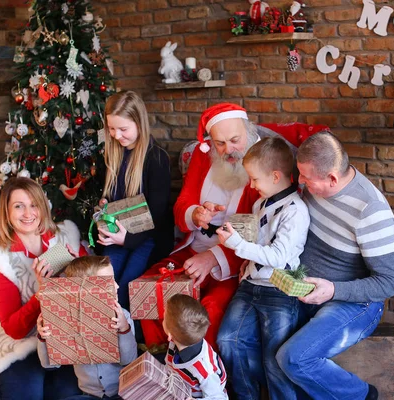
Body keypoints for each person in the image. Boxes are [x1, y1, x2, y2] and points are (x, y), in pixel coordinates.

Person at [276, 132, 394, 400]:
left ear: (332, 178)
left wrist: (332, 290)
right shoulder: (315, 187)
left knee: (294, 358)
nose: (300, 182)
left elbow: (388, 283)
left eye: (306, 178)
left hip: (355, 302)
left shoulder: (371, 210)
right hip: (307, 290)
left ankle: (362, 395)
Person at [140, 103, 265, 349]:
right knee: (148, 291)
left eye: (235, 140)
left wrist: (212, 258)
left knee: (210, 311)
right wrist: (194, 214)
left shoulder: (262, 160)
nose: (228, 150)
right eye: (220, 143)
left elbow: (258, 232)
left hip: (233, 260)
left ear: (248, 133)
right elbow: (181, 204)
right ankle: (161, 365)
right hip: (192, 248)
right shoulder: (202, 154)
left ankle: (203, 378)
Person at [215, 137, 309, 400]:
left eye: (255, 179)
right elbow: (259, 241)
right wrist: (243, 252)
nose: (251, 184)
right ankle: (247, 396)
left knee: (274, 359)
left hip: (279, 290)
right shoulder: (261, 204)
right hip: (251, 285)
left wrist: (236, 244)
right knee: (228, 340)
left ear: (276, 175)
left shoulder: (295, 211)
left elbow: (278, 257)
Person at [0, 177, 81, 400]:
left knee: (69, 394)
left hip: (61, 336)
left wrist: (75, 264)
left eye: (33, 205)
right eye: (18, 206)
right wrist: (42, 293)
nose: (28, 213)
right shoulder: (1, 258)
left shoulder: (63, 238)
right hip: (20, 342)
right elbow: (14, 329)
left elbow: (87, 284)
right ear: (7, 213)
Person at [97, 90, 173, 310]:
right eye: (111, 129)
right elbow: (109, 197)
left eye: (123, 129)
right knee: (106, 285)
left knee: (128, 287)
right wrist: (103, 204)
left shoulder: (156, 158)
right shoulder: (112, 155)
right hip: (117, 233)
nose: (117, 135)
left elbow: (157, 214)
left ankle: (130, 340)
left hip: (148, 237)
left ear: (139, 123)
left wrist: (127, 240)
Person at [37, 255, 137, 400]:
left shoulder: (123, 316)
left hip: (123, 392)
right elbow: (50, 365)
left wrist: (123, 328)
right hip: (89, 395)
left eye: (113, 279)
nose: (116, 286)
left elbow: (129, 360)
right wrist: (43, 338)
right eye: (108, 282)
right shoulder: (63, 317)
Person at [162, 294, 227, 399]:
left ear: (169, 335)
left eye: (164, 318)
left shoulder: (204, 369)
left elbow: (218, 397)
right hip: (179, 387)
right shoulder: (178, 340)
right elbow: (169, 367)